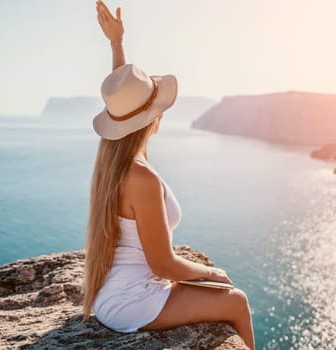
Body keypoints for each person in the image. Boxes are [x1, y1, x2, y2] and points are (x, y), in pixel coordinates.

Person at [82, 1, 255, 349]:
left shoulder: (118, 160)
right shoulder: (141, 177)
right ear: (153, 119)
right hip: (132, 302)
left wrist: (116, 44)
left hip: (112, 294)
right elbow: (162, 264)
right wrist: (209, 272)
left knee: (222, 291)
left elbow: (123, 99)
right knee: (236, 301)